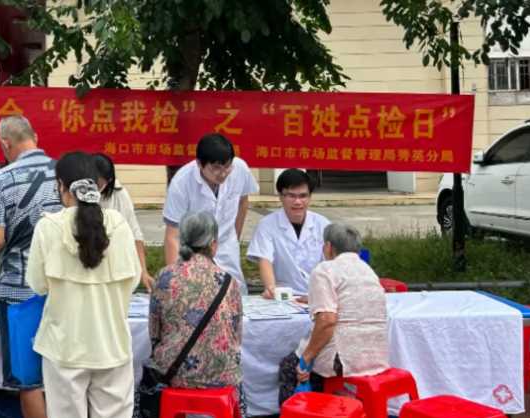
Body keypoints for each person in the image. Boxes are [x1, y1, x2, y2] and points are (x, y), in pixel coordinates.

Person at [26, 150, 140, 418]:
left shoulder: (48, 227)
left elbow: (37, 284)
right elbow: (132, 281)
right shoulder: (118, 224)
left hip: (64, 348)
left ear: (61, 186)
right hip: (112, 346)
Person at [132, 212, 245, 418]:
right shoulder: (229, 281)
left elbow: (155, 333)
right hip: (222, 375)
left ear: (183, 240)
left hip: (176, 375)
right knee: (241, 393)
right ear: (213, 244)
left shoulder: (165, 277)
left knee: (143, 394)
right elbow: (236, 335)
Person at [0, 115, 62, 418]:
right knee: (64, 377)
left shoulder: (1, 181)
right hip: (61, 290)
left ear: (5, 143)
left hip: (19, 292)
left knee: (29, 382)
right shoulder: (63, 173)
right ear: (35, 136)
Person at [280, 222, 389, 402]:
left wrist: (307, 357)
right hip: (375, 355)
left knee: (290, 366)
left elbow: (327, 321)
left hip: (345, 357)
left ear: (328, 247)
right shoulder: (368, 271)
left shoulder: (325, 270)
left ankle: (303, 415)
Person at [162, 134, 258, 290]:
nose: (223, 173)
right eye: (216, 168)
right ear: (200, 164)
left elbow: (243, 201)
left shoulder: (240, 169)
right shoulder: (181, 182)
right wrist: (175, 281)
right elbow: (172, 236)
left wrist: (234, 237)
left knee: (233, 293)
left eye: (227, 166)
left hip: (226, 247)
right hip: (193, 251)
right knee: (194, 294)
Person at [247, 169, 330, 298]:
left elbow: (332, 262)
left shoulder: (323, 224)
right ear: (280, 196)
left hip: (319, 295)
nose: (298, 202)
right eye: (291, 196)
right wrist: (271, 288)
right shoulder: (267, 225)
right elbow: (265, 259)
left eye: (303, 196)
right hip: (284, 295)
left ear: (310, 197)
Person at [94, 153, 153, 292]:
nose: (96, 187)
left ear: (109, 180)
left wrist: (143, 271)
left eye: (100, 184)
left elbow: (135, 233)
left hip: (115, 265)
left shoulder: (119, 194)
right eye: (94, 182)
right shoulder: (78, 193)